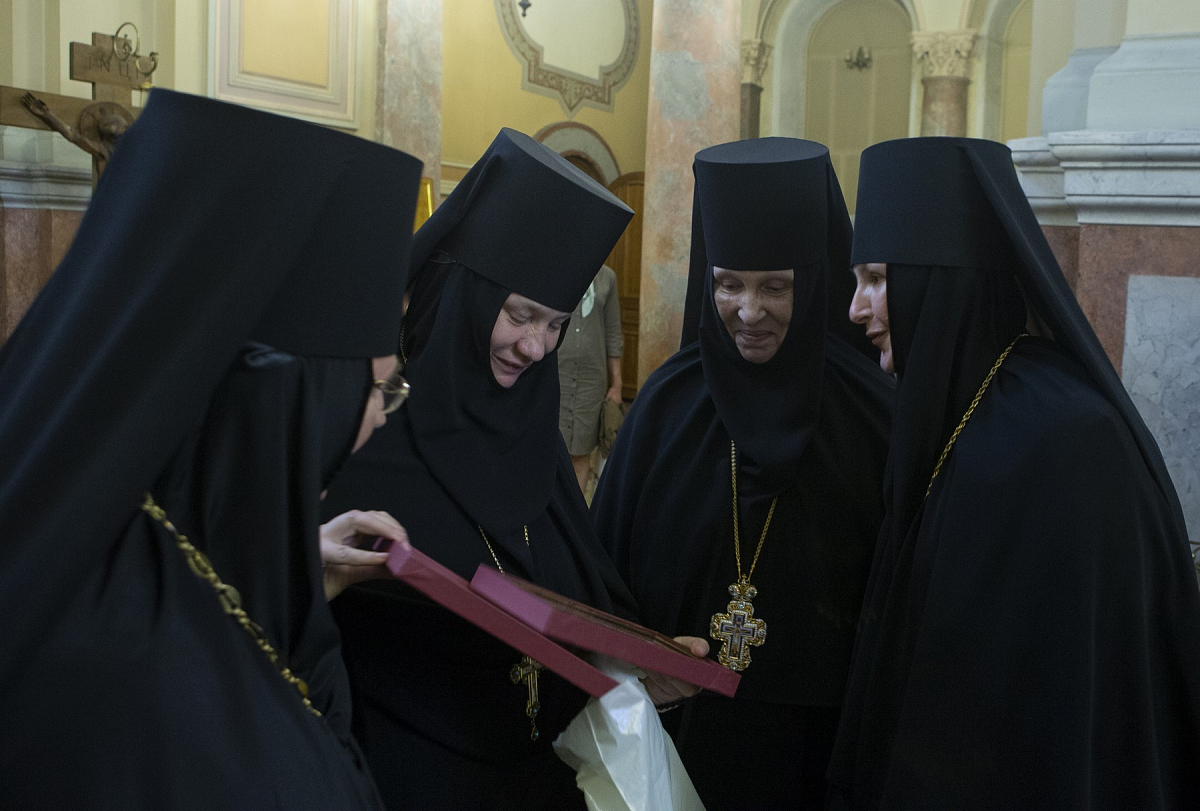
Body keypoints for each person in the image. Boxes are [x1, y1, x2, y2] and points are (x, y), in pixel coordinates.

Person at [0, 89, 423, 809]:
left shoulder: (116, 536)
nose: (380, 416)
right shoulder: (139, 689)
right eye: (376, 388)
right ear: (287, 396)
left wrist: (289, 574)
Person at [321, 128, 702, 811]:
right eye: (522, 314)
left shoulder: (536, 439)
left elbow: (579, 600)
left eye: (556, 324)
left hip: (540, 775)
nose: (535, 347)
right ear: (466, 296)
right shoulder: (369, 434)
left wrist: (636, 665)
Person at [830, 136, 1200, 810]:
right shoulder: (947, 403)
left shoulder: (1068, 438)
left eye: (877, 280)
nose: (855, 309)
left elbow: (1080, 697)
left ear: (942, 280)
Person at [590, 137, 893, 810]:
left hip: (824, 756)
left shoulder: (873, 417)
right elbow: (603, 577)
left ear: (812, 280)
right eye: (728, 283)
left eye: (775, 287)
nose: (749, 312)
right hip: (679, 744)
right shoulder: (665, 407)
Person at [557, 263, 623, 492]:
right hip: (556, 376)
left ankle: (573, 509)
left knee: (581, 452)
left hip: (591, 381)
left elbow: (613, 332)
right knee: (551, 449)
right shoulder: (556, 271)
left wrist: (617, 383)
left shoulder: (607, 278)